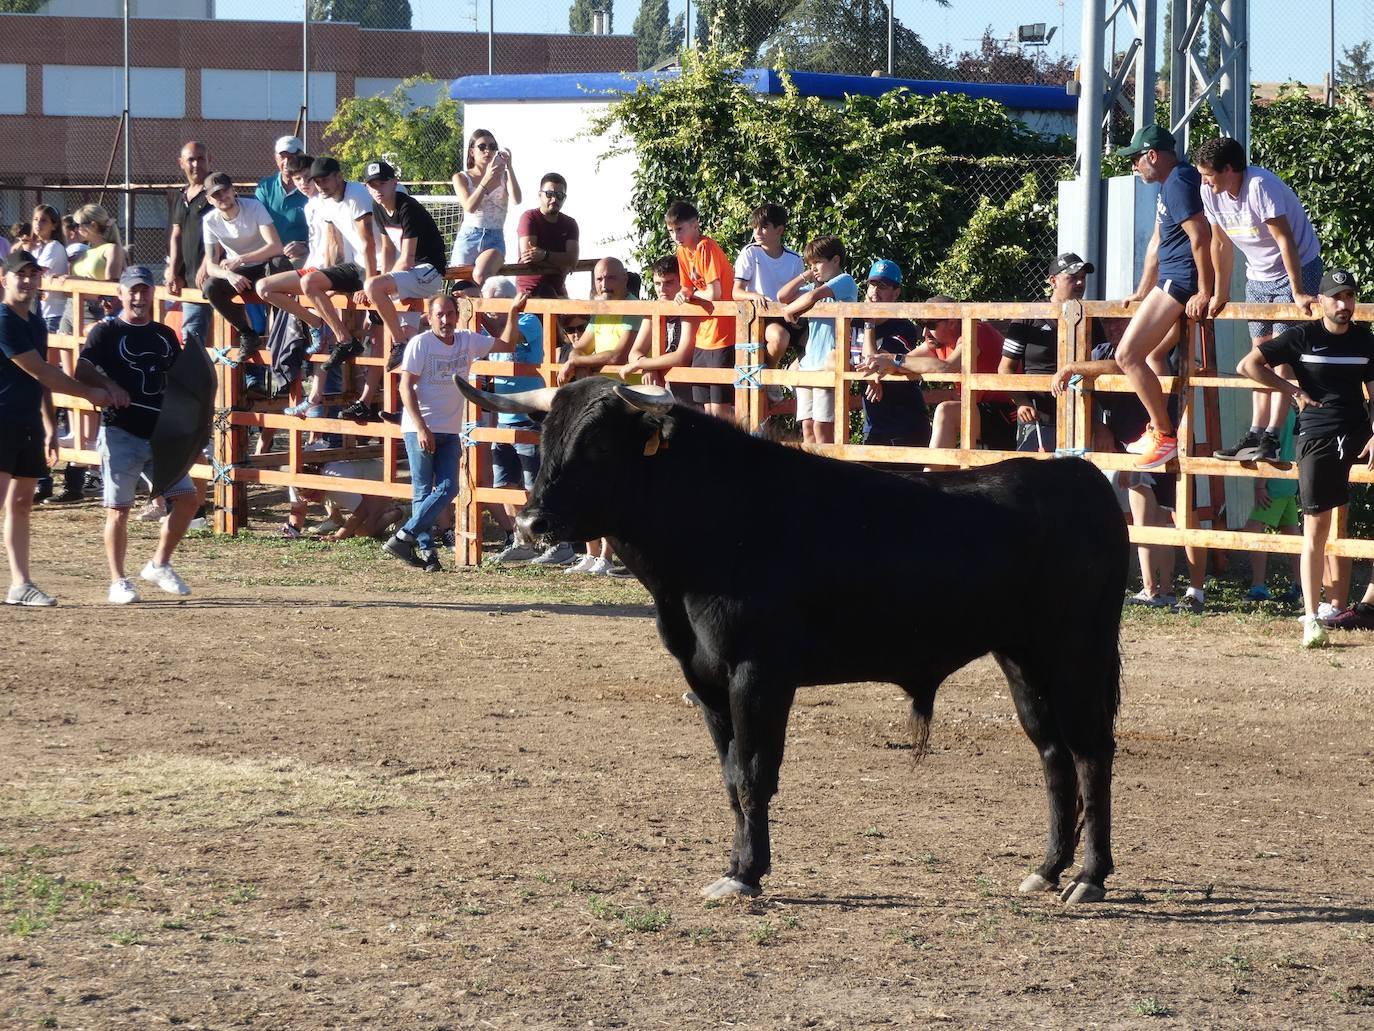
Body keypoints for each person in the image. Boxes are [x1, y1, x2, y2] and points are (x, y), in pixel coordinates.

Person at [1237, 269, 1374, 648]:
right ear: (1322, 300)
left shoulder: (1365, 339)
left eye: (1350, 296)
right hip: (1317, 436)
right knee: (1317, 527)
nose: (1344, 304)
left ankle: (1357, 603)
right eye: (1337, 297)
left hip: (1360, 433)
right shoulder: (1302, 335)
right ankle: (1312, 616)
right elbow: (1247, 366)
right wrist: (1291, 389)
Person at [74, 265, 202, 605]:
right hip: (121, 432)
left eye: (144, 290)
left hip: (160, 435)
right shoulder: (105, 332)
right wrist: (108, 385)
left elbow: (180, 379)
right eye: (132, 290)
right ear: (120, 293)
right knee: (119, 508)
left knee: (188, 499)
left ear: (152, 293)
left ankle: (159, 564)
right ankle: (118, 579)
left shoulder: (163, 334)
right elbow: (82, 369)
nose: (138, 296)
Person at [1194, 136, 1325, 462]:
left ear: (1229, 170)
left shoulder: (1259, 187)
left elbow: (1286, 241)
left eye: (1209, 174)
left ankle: (1273, 437)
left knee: (1281, 355)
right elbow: (1220, 244)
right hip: (1258, 276)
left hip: (1297, 267)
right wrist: (1219, 293)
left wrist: (1297, 291)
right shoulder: (1210, 193)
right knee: (1258, 355)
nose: (1205, 181)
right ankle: (1254, 434)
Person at [0, 250, 116, 606]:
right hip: (2, 421)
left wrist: (51, 424)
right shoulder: (3, 318)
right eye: (21, 274)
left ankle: (20, 584)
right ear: (5, 278)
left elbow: (39, 382)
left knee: (21, 504)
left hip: (28, 423)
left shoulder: (34, 322)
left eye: (34, 274)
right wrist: (89, 393)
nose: (28, 280)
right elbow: (41, 370)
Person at [384, 290, 529, 572]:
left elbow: (507, 343)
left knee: (449, 487)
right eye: (439, 314)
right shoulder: (420, 344)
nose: (445, 320)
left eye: (450, 314)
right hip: (420, 427)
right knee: (423, 489)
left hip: (450, 428)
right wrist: (421, 427)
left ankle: (404, 536)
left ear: (457, 315)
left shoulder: (467, 340)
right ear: (429, 317)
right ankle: (427, 554)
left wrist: (513, 311)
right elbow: (405, 387)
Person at [1111, 124, 1214, 470]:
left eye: (1136, 160)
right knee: (1154, 354)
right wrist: (1142, 289)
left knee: (1126, 354)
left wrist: (1205, 289)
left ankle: (1164, 436)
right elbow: (1156, 243)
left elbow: (1200, 236)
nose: (1133, 167)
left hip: (1180, 281)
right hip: (1169, 280)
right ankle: (1158, 426)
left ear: (1152, 155)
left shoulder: (1181, 181)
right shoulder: (1167, 185)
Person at [257, 156, 380, 386]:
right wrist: (328, 281)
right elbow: (330, 244)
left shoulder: (357, 194)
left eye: (323, 180)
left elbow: (366, 242)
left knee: (312, 284)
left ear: (338, 176)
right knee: (264, 287)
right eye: (316, 181)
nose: (318, 185)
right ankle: (320, 325)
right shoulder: (319, 203)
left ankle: (340, 347)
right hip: (340, 267)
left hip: (373, 266)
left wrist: (369, 282)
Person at [999, 252, 1097, 453]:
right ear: (1053, 281)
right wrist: (1021, 402)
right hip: (1038, 418)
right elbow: (1005, 368)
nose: (1080, 283)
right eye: (1072, 277)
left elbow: (1103, 363)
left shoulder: (1090, 318)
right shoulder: (1028, 315)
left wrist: (1099, 424)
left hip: (1081, 416)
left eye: (1083, 277)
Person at [362, 158, 447, 381]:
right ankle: (411, 404)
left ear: (394, 182)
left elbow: (407, 258)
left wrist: (379, 288)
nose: (377, 189)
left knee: (372, 286)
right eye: (372, 184)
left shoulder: (408, 207)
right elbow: (388, 250)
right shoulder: (377, 208)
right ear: (366, 188)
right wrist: (381, 286)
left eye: (382, 183)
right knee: (409, 349)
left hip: (428, 272)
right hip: (410, 276)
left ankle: (399, 342)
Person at [199, 171, 290, 362]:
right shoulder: (209, 221)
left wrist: (241, 259)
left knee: (281, 263)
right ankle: (248, 334)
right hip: (240, 272)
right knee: (210, 287)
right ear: (209, 199)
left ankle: (287, 331)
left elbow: (275, 246)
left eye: (225, 191)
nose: (222, 197)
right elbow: (211, 265)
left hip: (266, 264)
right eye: (216, 195)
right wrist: (228, 275)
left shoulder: (254, 207)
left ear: (233, 191)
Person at [666, 200, 736, 421]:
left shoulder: (706, 247)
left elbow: (714, 293)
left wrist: (690, 296)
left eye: (680, 229)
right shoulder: (682, 252)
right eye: (671, 231)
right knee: (706, 409)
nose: (676, 235)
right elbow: (687, 286)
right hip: (704, 334)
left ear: (695, 225)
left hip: (723, 333)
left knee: (720, 410)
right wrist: (683, 293)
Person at [852, 259, 928, 450]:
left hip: (906, 426)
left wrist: (869, 323)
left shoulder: (904, 327)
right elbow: (835, 357)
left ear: (896, 292)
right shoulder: (852, 322)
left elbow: (874, 363)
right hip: (873, 426)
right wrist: (871, 379)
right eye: (872, 284)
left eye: (883, 286)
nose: (875, 291)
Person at [733, 202, 805, 370]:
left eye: (764, 227)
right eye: (755, 227)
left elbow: (798, 294)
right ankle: (770, 374)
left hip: (789, 314)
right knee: (780, 337)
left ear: (779, 230)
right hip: (761, 316)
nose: (757, 232)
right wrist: (755, 296)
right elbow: (736, 292)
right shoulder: (749, 252)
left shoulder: (794, 259)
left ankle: (793, 377)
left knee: (814, 338)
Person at [1239, 409, 1301, 602]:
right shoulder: (1290, 410)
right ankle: (1301, 586)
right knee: (1291, 532)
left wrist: (1260, 485)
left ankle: (1258, 586)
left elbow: (1268, 451)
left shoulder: (1274, 412)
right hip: (1289, 478)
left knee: (1253, 529)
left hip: (1273, 481)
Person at [621, 256, 696, 408]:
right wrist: (648, 367)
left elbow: (682, 357)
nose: (661, 289)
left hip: (693, 389)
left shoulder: (691, 309)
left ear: (682, 282)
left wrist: (641, 364)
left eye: (669, 283)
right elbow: (634, 353)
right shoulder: (654, 311)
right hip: (668, 388)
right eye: (657, 283)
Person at [451, 129, 522, 285]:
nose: (487, 150)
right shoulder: (461, 177)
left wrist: (509, 167)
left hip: (494, 237)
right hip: (469, 236)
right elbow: (470, 206)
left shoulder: (504, 175)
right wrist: (487, 179)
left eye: (492, 146)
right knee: (462, 289)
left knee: (481, 276)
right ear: (471, 151)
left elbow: (517, 199)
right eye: (482, 146)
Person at [163, 140, 213, 348]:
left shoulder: (216, 191)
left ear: (210, 160)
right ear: (181, 162)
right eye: (191, 159)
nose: (196, 164)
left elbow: (223, 235)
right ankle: (194, 381)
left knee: (227, 340)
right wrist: (174, 271)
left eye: (200, 158)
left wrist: (207, 265)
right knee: (191, 338)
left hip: (216, 278)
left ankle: (250, 379)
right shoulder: (182, 195)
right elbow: (177, 234)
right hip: (190, 280)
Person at [516, 173, 578, 298]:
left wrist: (544, 255)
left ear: (564, 198)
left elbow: (572, 259)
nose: (554, 199)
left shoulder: (570, 223)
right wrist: (561, 262)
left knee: (581, 316)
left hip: (558, 292)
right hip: (529, 295)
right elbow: (529, 256)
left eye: (560, 195)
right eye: (549, 194)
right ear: (540, 195)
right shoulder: (529, 217)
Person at [256, 135, 310, 265]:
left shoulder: (313, 188)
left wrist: (305, 246)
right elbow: (256, 222)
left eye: (291, 157)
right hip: (270, 255)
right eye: (282, 156)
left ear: (301, 156)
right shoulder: (265, 187)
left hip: (304, 256)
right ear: (276, 158)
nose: (286, 162)